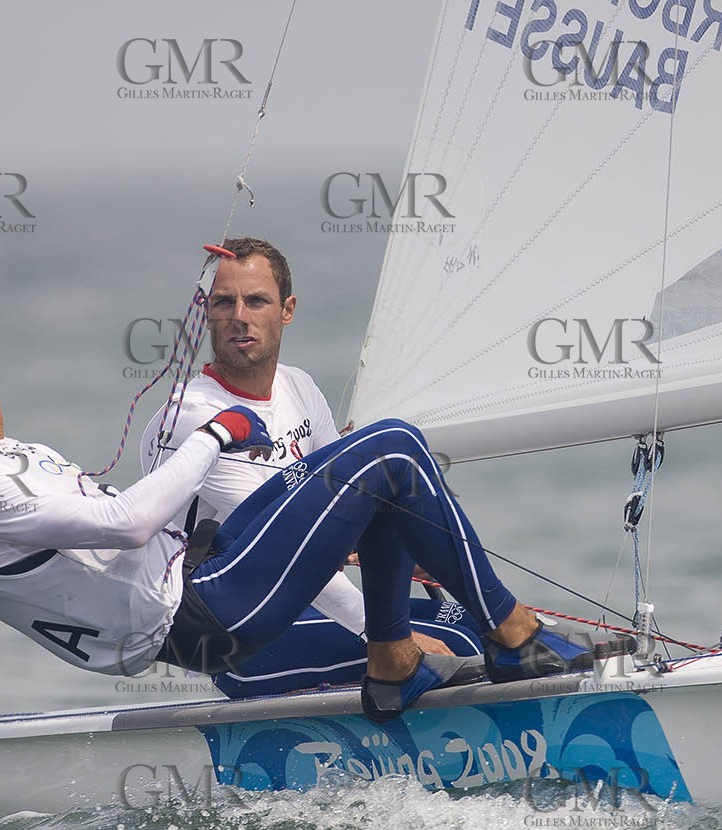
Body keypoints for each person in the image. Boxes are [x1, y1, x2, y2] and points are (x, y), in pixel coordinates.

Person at [0, 297, 621, 721]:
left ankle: (394, 659)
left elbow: (116, 544)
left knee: (383, 473)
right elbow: (129, 524)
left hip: (201, 583)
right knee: (395, 446)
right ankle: (513, 634)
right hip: (198, 617)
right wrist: (216, 435)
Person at [139, 236, 480, 697]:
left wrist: (417, 552)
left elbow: (358, 508)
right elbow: (294, 550)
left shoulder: (298, 387)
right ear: (206, 312)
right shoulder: (194, 417)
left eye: (256, 300)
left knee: (475, 623)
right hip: (237, 636)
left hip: (310, 603)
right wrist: (385, 640)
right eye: (223, 303)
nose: (239, 316)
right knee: (459, 644)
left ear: (287, 309)